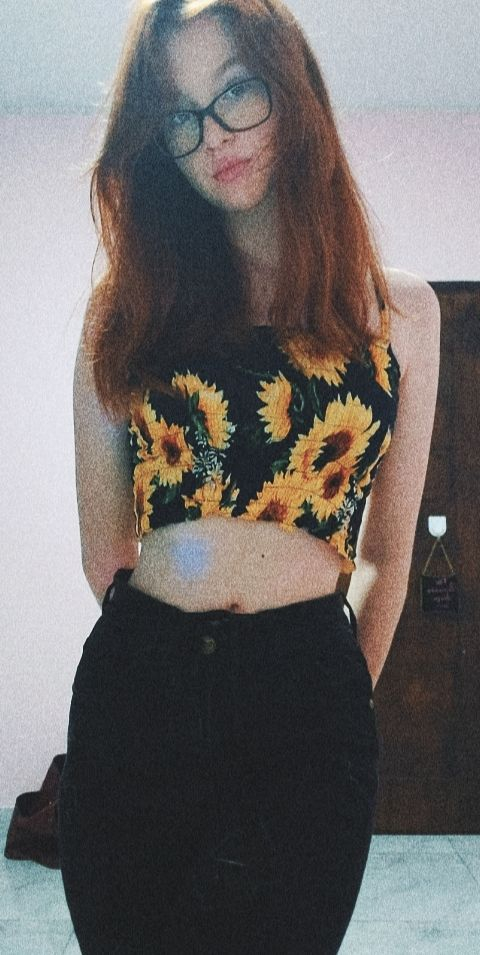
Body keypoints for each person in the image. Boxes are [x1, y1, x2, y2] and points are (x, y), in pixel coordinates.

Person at [57, 0, 440, 952]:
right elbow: (105, 547)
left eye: (235, 90)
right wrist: (171, 669)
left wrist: (328, 690)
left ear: (292, 85)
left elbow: (385, 558)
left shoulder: (401, 314)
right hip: (142, 688)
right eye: (180, 115)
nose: (213, 136)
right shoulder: (127, 309)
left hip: (308, 690)